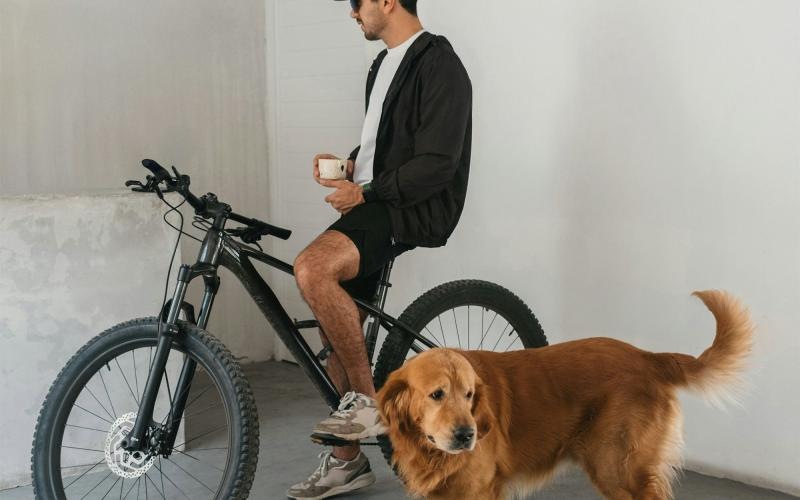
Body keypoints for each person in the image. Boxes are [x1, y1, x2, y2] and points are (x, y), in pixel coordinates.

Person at [289, 0, 472, 497]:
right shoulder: (382, 64)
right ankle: (346, 462)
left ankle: (369, 404)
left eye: (357, 3)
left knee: (311, 268)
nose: (353, 14)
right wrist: (349, 168)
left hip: (412, 206)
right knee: (336, 330)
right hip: (379, 200)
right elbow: (385, 147)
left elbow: (437, 161)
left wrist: (366, 193)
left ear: (387, 1)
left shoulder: (438, 62)